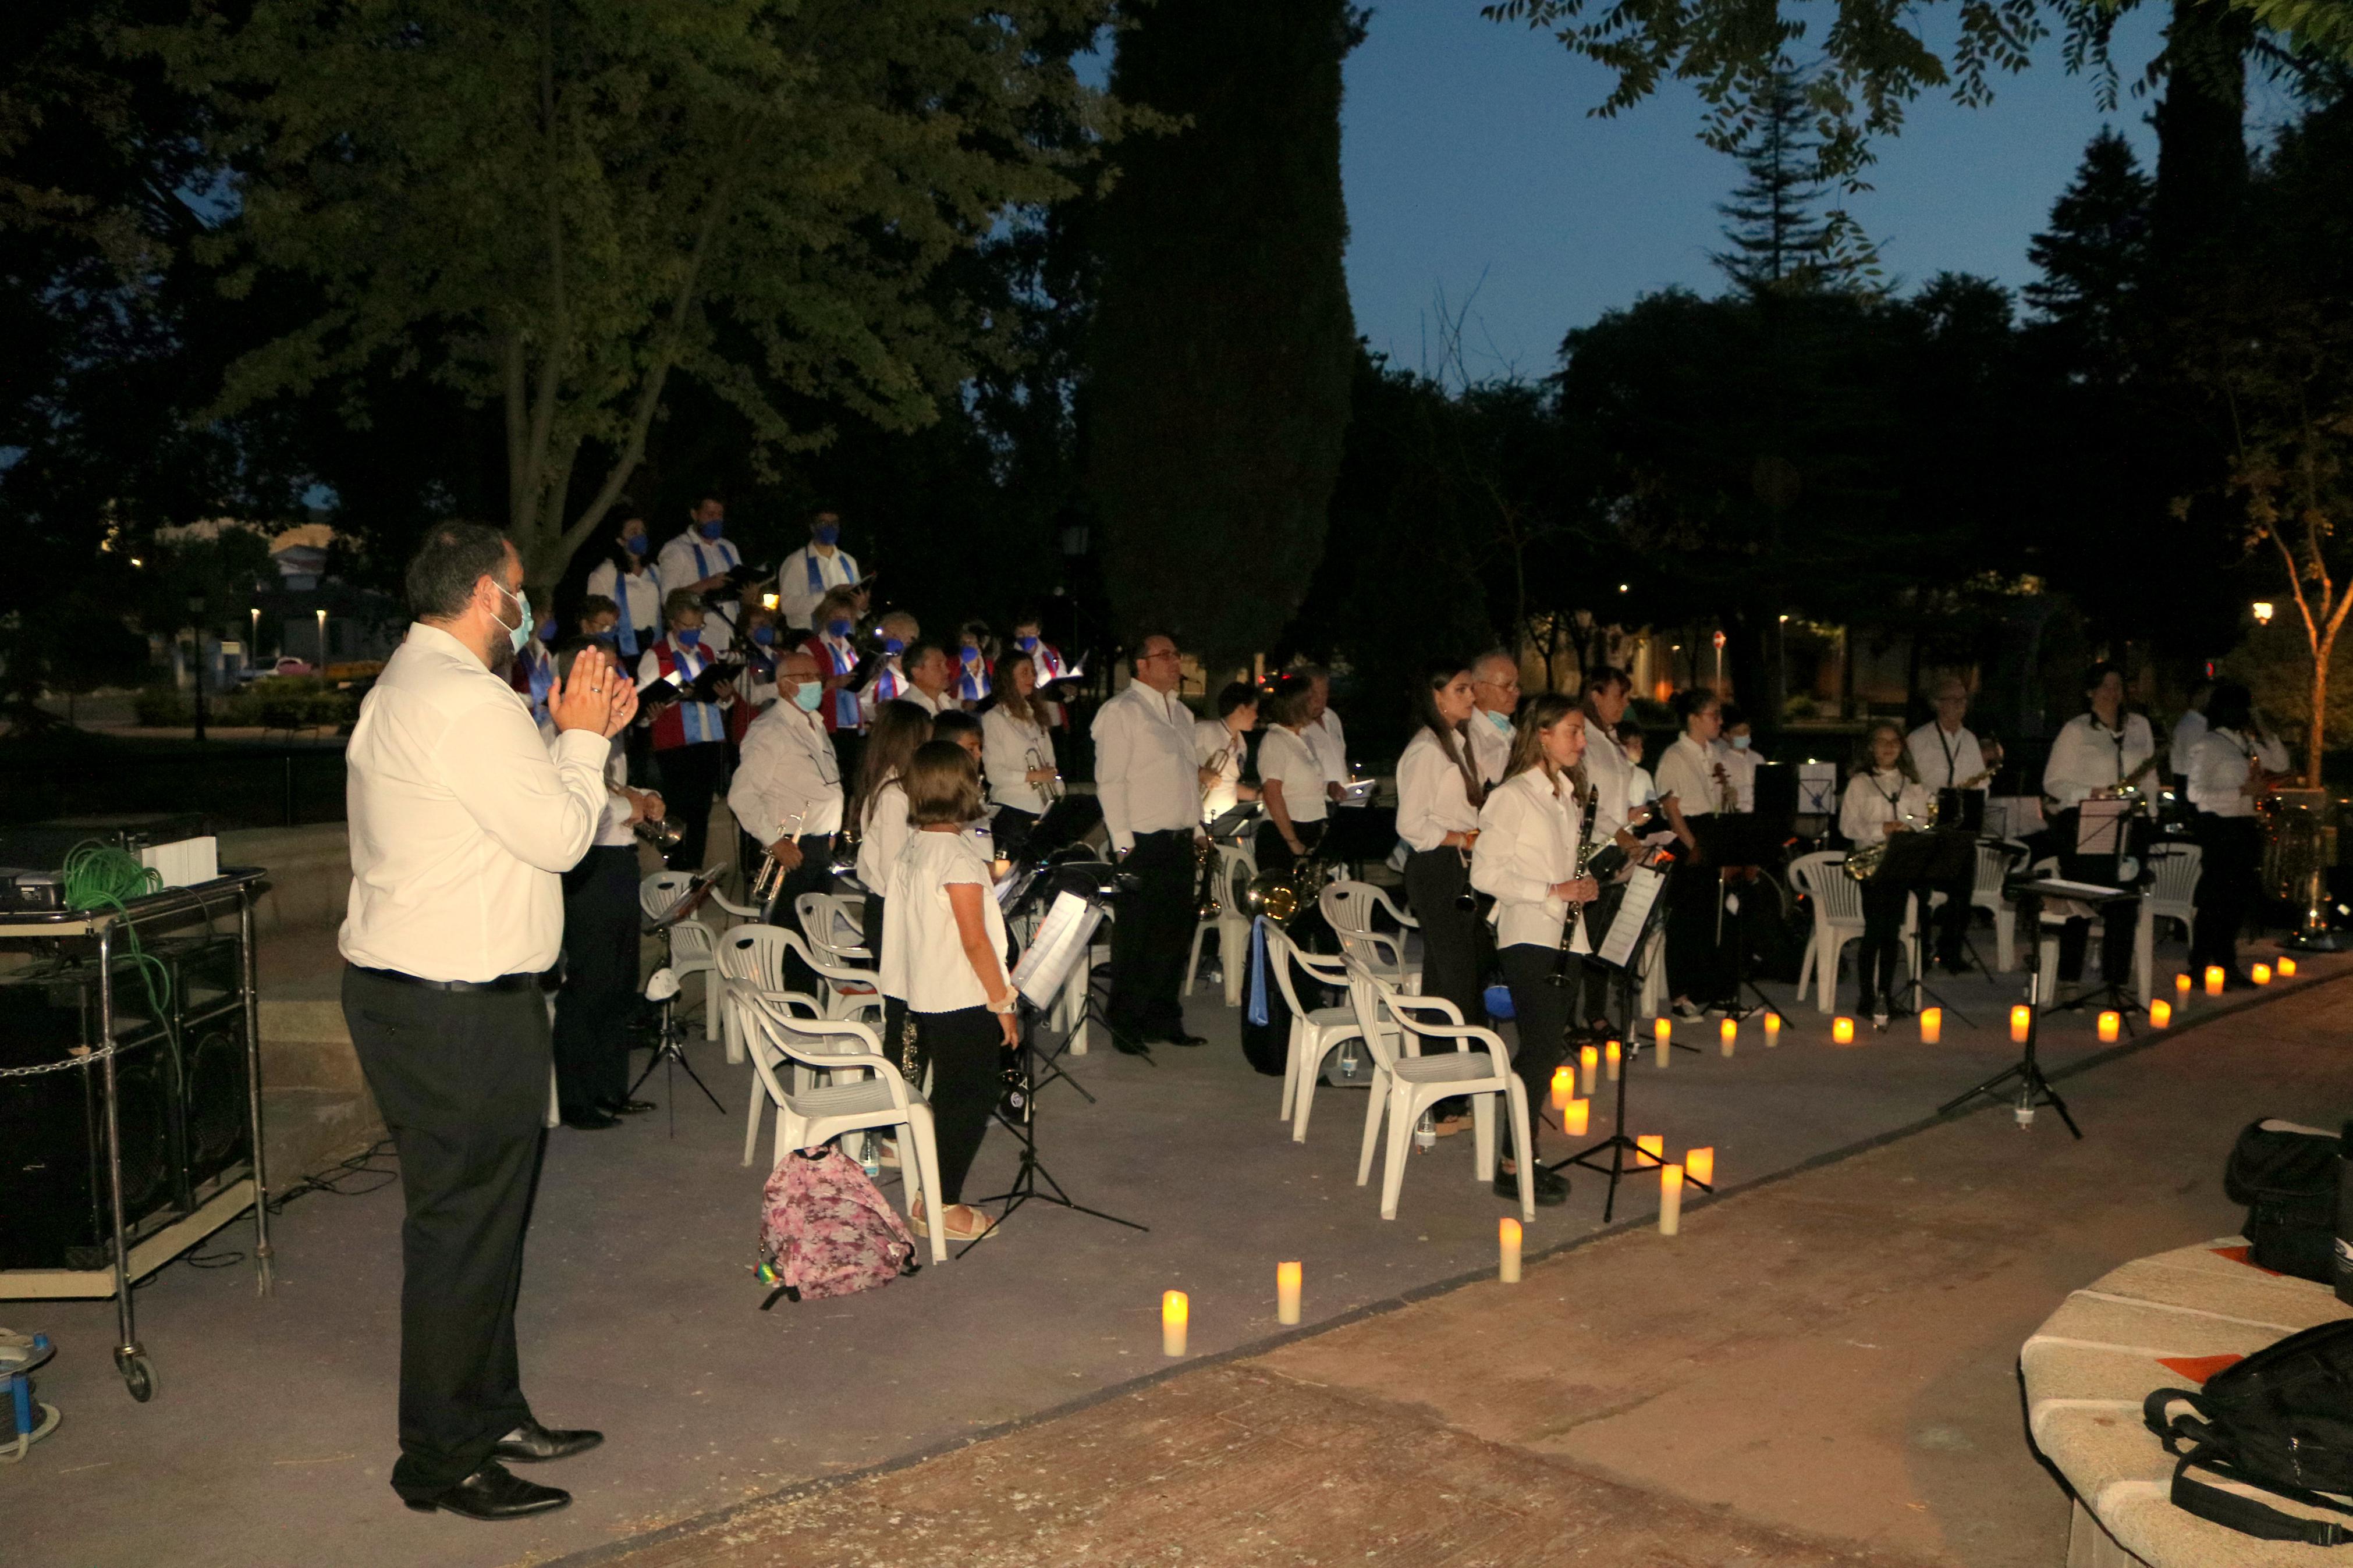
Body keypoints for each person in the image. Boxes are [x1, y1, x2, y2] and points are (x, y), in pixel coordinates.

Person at [339, 521, 633, 1520]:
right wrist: (584, 738)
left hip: (423, 997)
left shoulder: (411, 685)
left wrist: (566, 736)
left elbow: (505, 814)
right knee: (463, 1236)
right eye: (519, 590)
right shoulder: (464, 702)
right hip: (454, 1008)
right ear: (482, 595)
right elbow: (559, 835)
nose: (527, 607)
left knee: (479, 1227)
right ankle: (440, 1461)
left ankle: (492, 1409)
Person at [880, 741, 1020, 1245]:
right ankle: (938, 1205)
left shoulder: (916, 846)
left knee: (950, 1094)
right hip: (959, 995)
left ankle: (930, 1192)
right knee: (971, 1097)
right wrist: (1002, 1001)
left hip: (922, 990)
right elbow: (974, 939)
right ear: (963, 787)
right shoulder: (957, 856)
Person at [1471, 692, 1597, 1207]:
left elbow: (1560, 866)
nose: (1581, 741)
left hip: (1566, 934)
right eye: (1572, 730)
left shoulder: (1565, 795)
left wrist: (1582, 883)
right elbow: (1485, 874)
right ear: (1542, 734)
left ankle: (1522, 1153)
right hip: (1528, 933)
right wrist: (1553, 891)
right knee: (1540, 1050)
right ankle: (1511, 1162)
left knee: (1546, 1051)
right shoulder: (1513, 796)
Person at [549, 641, 661, 1131]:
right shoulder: (553, 729)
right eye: (609, 672)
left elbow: (616, 791)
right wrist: (627, 809)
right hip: (587, 865)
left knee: (620, 981)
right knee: (590, 982)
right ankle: (577, 1097)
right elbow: (566, 807)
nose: (620, 681)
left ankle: (610, 1089)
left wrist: (646, 800)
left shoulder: (610, 734)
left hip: (618, 859)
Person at [1092, 631, 1204, 1054]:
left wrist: (1195, 829)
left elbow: (1185, 780)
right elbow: (1111, 779)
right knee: (1137, 935)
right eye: (1166, 655)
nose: (1176, 662)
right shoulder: (1122, 711)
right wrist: (1123, 844)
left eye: (1178, 654)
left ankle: (1164, 1017)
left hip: (1177, 840)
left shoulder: (1181, 714)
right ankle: (1126, 1022)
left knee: (1174, 934)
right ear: (1142, 664)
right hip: (1140, 840)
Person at [728, 646, 845, 987]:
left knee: (812, 939)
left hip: (819, 846)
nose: (814, 684)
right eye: (804, 677)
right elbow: (742, 795)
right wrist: (774, 841)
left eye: (817, 677)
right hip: (790, 850)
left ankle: (809, 1012)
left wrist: (832, 829)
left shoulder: (815, 725)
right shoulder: (770, 729)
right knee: (790, 940)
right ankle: (791, 1017)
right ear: (783, 686)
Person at [2040, 663, 2157, 986]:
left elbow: (2150, 777)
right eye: (2105, 686)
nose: (2113, 692)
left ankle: (2116, 982)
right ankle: (2069, 980)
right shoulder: (2076, 730)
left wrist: (2151, 813)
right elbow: (2054, 783)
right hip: (2087, 823)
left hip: (2131, 825)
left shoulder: (2140, 727)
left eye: (2118, 685)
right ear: (2090, 692)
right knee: (2082, 900)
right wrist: (2089, 794)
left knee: (2124, 902)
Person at [1394, 657, 1490, 1030]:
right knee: (1456, 974)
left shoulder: (1455, 742)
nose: (1471, 696)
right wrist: (1463, 839)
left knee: (1448, 972)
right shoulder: (1426, 751)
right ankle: (1460, 1057)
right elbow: (1411, 824)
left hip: (1456, 865)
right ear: (1437, 698)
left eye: (1471, 688)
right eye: (1461, 690)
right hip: (1436, 867)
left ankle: (1443, 1059)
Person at [2184, 682, 2291, 988]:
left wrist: (2261, 726)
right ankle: (2200, 964)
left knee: (2236, 900)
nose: (2241, 713)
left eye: (2245, 707)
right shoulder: (2209, 745)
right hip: (2219, 828)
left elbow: (2280, 762)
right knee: (2215, 899)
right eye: (2238, 707)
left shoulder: (2245, 742)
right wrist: (2241, 791)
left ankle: (2226, 962)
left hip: (2243, 826)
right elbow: (2195, 793)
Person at [853, 701, 935, 1075]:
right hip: (893, 913)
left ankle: (910, 1094)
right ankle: (894, 1110)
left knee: (916, 1008)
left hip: (900, 910)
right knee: (904, 1013)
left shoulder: (901, 789)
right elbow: (893, 872)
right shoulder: (893, 796)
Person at [1839, 720, 1933, 1027]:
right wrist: (1881, 829)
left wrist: (1911, 827)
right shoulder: (1860, 783)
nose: (1888, 747)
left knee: (1892, 933)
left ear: (1902, 747)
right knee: (1875, 931)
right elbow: (1847, 826)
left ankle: (1885, 994)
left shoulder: (1913, 783)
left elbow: (1923, 821)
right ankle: (1867, 997)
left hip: (1901, 863)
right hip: (1872, 863)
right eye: (1882, 742)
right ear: (1871, 748)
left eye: (1894, 741)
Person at [634, 590, 736, 870]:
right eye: (688, 626)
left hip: (707, 738)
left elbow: (720, 701)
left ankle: (695, 868)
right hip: (675, 742)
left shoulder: (706, 653)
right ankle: (677, 870)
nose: (694, 632)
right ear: (673, 623)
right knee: (679, 809)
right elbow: (642, 704)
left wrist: (725, 696)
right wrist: (650, 712)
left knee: (701, 810)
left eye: (698, 626)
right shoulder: (657, 656)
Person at [1652, 689, 1737, 1021]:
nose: (1719, 721)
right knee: (1686, 922)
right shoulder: (1675, 756)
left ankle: (1715, 992)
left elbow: (1717, 802)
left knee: (1714, 918)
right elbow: (1672, 810)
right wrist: (1695, 847)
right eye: (1713, 715)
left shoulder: (1714, 753)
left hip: (1710, 834)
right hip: (1688, 839)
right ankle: (1680, 995)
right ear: (1693, 718)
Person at [1905, 675, 1999, 972]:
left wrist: (1973, 799)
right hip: (1929, 824)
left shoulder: (1970, 739)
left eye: (1964, 700)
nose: (1962, 706)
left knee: (1963, 890)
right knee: (1921, 892)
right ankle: (1920, 951)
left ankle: (1951, 951)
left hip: (1960, 824)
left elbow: (1980, 780)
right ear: (1937, 704)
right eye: (1955, 700)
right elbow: (1911, 782)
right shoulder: (1919, 739)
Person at [981, 657, 1058, 861]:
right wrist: (1033, 776)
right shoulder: (993, 719)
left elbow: (1050, 762)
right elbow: (994, 774)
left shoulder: (1037, 716)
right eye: (1025, 672)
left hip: (1041, 811)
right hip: (1013, 812)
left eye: (1033, 672)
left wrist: (1050, 776)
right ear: (1008, 678)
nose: (1032, 677)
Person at [583, 510, 664, 664]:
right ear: (621, 540)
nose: (640, 536)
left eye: (643, 532)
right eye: (634, 532)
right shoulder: (606, 573)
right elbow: (594, 617)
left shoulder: (653, 571)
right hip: (622, 645)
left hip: (652, 641)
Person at [774, 510, 861, 632]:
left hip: (843, 637)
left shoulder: (849, 562)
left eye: (834, 523)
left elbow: (856, 609)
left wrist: (862, 605)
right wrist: (827, 596)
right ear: (813, 527)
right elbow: (787, 605)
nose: (829, 527)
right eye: (823, 523)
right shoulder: (797, 561)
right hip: (807, 634)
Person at [1195, 681, 1259, 824]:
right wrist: (1199, 772)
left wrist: (1256, 795)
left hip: (1226, 822)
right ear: (1242, 709)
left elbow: (1228, 785)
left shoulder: (1242, 743)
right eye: (1254, 709)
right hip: (1201, 821)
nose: (1257, 716)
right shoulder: (1206, 730)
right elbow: (1177, 760)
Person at [1012, 611, 1073, 732]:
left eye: (1031, 633)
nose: (1026, 638)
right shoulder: (1009, 655)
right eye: (1021, 634)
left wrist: (1068, 692)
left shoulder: (1051, 653)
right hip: (1021, 719)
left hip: (1050, 719)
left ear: (1038, 632)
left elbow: (1062, 679)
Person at [1467, 651, 1520, 786]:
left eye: (1516, 686)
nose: (1516, 692)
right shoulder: (1468, 737)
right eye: (1506, 686)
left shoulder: (1517, 735)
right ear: (1479, 687)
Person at [857, 611, 921, 721]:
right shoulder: (868, 666)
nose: (888, 640)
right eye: (886, 635)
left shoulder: (919, 672)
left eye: (895, 635)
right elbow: (852, 706)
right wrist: (876, 710)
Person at [1713, 704, 1758, 812]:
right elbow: (1727, 796)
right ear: (1726, 736)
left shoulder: (1758, 758)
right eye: (1737, 733)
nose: (1743, 735)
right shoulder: (1723, 761)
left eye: (1746, 731)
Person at [2171, 678, 2214, 785]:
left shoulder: (2194, 723)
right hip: (2192, 786)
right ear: (2198, 696)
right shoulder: (2193, 726)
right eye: (2210, 696)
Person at [899, 639, 956, 717]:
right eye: (938, 666)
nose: (947, 671)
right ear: (916, 672)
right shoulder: (908, 710)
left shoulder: (944, 700)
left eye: (945, 664)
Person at [953, 621, 994, 706]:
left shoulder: (990, 666)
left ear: (981, 645)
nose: (966, 646)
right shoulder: (951, 665)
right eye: (963, 643)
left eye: (970, 642)